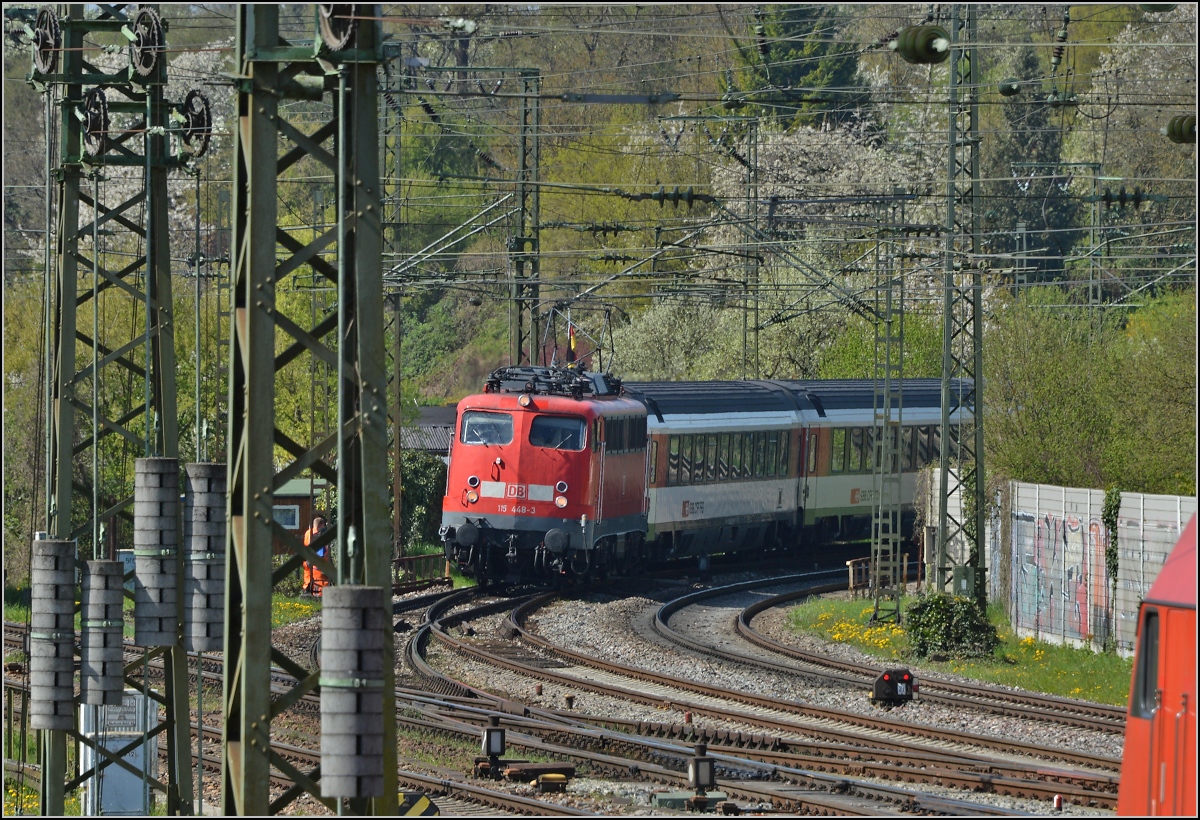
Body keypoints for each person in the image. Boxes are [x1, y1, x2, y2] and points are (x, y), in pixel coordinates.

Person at [302, 515, 330, 596]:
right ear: (322, 525)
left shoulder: (308, 533)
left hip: (309, 570)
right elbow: (322, 553)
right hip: (319, 572)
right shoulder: (319, 535)